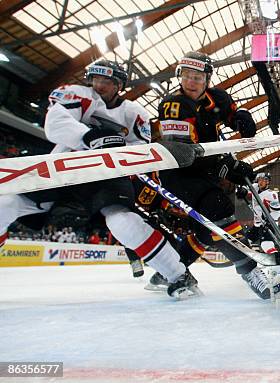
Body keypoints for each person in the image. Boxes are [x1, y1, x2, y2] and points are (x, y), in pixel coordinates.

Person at [0, 59, 196, 299]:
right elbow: (54, 124)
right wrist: (90, 137)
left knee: (121, 222)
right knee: (5, 204)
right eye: (96, 79)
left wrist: (118, 149)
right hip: (63, 168)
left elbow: (141, 153)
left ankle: (178, 275)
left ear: (119, 85)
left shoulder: (134, 113)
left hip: (106, 175)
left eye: (107, 81)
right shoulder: (78, 95)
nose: (99, 85)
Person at [150, 51, 270, 299]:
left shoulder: (218, 98)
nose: (191, 82)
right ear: (179, 77)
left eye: (197, 77)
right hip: (178, 172)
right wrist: (225, 165)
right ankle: (250, 271)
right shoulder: (173, 105)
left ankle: (167, 272)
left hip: (206, 171)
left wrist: (241, 118)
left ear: (207, 79)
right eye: (186, 76)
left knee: (205, 231)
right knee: (218, 208)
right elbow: (184, 152)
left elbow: (230, 114)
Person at [236, 172, 280, 252]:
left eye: (263, 180)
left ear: (268, 182)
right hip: (257, 225)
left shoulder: (271, 195)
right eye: (259, 180)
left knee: (266, 244)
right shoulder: (255, 187)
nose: (260, 182)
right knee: (244, 242)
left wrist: (268, 222)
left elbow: (277, 213)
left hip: (269, 225)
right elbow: (246, 188)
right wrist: (242, 191)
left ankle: (276, 258)